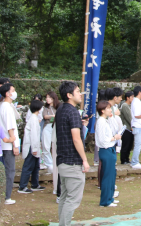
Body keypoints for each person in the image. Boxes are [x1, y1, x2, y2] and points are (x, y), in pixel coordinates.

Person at [56, 81, 90, 226]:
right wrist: (85, 160)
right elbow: (76, 139)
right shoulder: (73, 112)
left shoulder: (61, 109)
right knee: (72, 199)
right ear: (69, 95)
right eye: (77, 91)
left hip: (62, 161)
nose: (80, 93)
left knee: (64, 197)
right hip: (72, 162)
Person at [0, 83, 21, 205]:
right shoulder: (6, 106)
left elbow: (16, 117)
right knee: (10, 170)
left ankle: (4, 195)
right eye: (13, 90)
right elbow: (10, 126)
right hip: (8, 143)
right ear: (7, 93)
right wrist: (15, 145)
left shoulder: (4, 105)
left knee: (6, 169)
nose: (14, 92)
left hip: (3, 143)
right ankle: (7, 196)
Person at [95, 100, 121, 207]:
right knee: (107, 176)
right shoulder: (100, 121)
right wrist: (114, 138)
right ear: (102, 110)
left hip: (110, 149)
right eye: (108, 108)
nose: (110, 110)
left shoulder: (105, 120)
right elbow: (102, 140)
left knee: (111, 175)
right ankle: (105, 201)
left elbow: (114, 129)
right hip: (105, 149)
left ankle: (110, 197)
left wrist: (111, 118)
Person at [18, 99, 46, 193]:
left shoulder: (35, 118)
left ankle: (35, 184)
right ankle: (22, 186)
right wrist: (34, 148)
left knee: (35, 166)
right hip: (31, 146)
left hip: (34, 145)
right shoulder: (33, 119)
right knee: (28, 166)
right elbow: (33, 135)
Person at [42, 91, 59, 173]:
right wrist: (53, 116)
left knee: (56, 145)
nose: (47, 99)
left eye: (49, 97)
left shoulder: (58, 107)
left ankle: (56, 163)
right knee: (46, 146)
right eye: (46, 97)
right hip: (48, 126)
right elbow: (45, 116)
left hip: (56, 126)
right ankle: (49, 164)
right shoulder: (45, 108)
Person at [119, 91, 134, 164]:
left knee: (129, 145)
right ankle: (123, 159)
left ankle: (127, 159)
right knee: (126, 144)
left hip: (130, 129)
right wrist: (133, 125)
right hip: (126, 129)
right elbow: (129, 118)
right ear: (128, 98)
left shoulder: (130, 106)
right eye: (132, 97)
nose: (133, 99)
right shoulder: (124, 105)